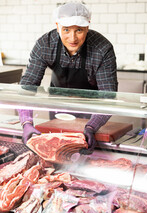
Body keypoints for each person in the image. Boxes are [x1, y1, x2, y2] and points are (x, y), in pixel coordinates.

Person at [19, 1, 118, 154]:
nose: (72, 38)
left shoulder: (102, 49)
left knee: (87, 153)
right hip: (57, 106)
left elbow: (108, 96)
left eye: (79, 30)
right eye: (66, 30)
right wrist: (26, 122)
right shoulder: (45, 44)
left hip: (91, 110)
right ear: (57, 26)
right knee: (59, 152)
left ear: (87, 26)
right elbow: (28, 87)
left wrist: (92, 127)